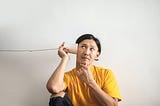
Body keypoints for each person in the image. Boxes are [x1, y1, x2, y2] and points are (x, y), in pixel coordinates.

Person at [46, 34, 122, 106]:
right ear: (75, 50)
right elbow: (53, 88)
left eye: (91, 49)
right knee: (57, 95)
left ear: (97, 55)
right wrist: (64, 58)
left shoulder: (106, 73)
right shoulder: (68, 76)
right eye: (83, 47)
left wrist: (90, 82)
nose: (86, 52)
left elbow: (113, 105)